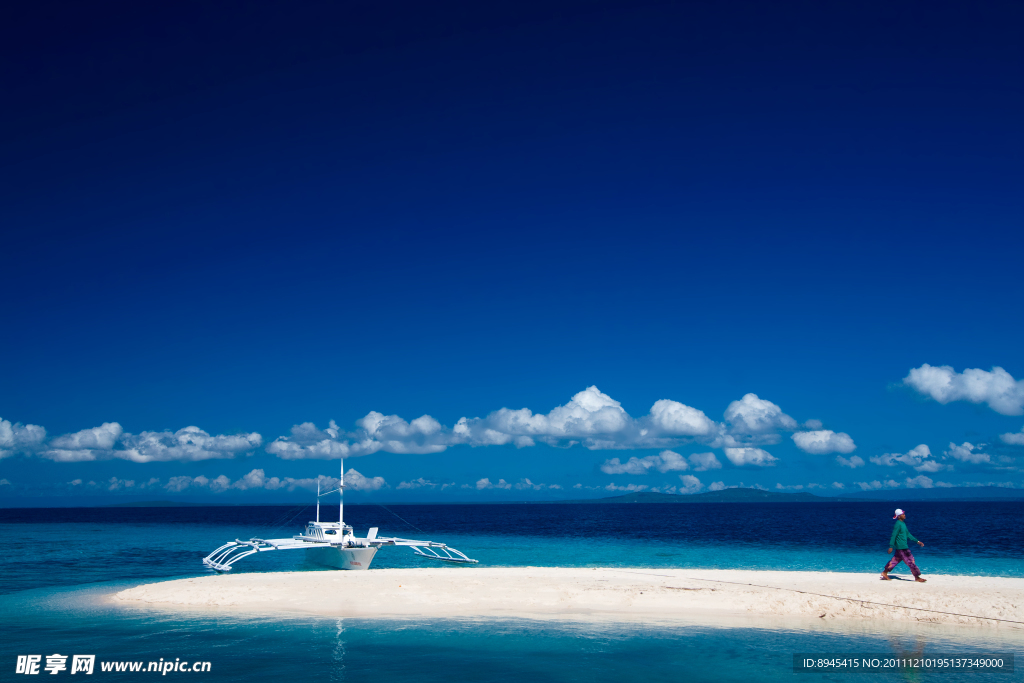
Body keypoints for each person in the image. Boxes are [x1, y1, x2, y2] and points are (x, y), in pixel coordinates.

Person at [881, 508, 926, 582]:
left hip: (903, 547)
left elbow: (908, 534)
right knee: (910, 561)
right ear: (899, 516)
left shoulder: (903, 524)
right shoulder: (898, 524)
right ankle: (917, 577)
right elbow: (893, 535)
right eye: (903, 514)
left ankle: (884, 573)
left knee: (894, 561)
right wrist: (891, 546)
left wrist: (917, 541)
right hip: (901, 547)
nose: (905, 515)